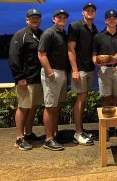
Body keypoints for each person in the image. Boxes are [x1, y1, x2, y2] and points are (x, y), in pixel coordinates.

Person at [9, 8, 43, 151]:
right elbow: (13, 57)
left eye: (37, 17)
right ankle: (19, 137)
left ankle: (28, 133)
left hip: (37, 78)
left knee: (33, 107)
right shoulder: (21, 34)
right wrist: (19, 77)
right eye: (32, 17)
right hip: (25, 79)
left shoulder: (41, 34)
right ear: (27, 19)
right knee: (23, 107)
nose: (35, 19)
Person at [92, 9, 117, 139]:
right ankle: (106, 127)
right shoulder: (98, 36)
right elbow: (94, 55)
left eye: (114, 18)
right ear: (105, 20)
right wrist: (97, 62)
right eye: (109, 18)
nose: (112, 20)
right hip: (105, 70)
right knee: (106, 98)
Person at [38, 9, 69, 151]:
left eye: (64, 17)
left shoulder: (62, 33)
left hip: (61, 73)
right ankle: (48, 139)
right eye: (59, 17)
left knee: (56, 105)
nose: (62, 19)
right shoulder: (48, 33)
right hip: (52, 73)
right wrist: (50, 73)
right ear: (53, 19)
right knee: (50, 106)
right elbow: (41, 55)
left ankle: (55, 134)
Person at [68, 3, 98, 146]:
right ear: (83, 12)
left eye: (92, 11)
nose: (90, 12)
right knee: (80, 99)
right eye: (88, 10)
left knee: (84, 98)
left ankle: (81, 129)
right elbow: (70, 49)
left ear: (95, 13)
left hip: (90, 68)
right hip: (79, 69)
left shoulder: (94, 29)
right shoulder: (75, 26)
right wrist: (74, 69)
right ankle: (78, 133)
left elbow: (93, 51)